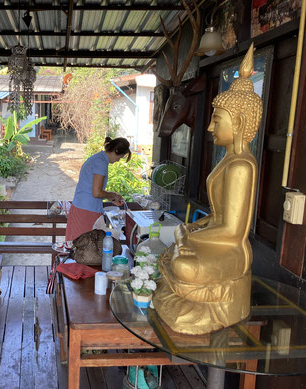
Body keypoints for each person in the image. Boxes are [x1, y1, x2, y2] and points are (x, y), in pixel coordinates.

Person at [153, 44, 263, 335]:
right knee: (172, 252)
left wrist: (188, 235)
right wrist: (191, 230)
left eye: (217, 120)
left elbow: (231, 232)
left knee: (183, 267)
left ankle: (202, 301)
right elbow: (216, 218)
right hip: (215, 239)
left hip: (232, 250)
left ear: (237, 123)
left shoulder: (242, 166)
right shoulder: (228, 161)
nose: (211, 127)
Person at [65, 137, 131, 242]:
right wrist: (113, 195)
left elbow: (94, 189)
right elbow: (96, 192)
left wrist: (110, 198)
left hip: (84, 207)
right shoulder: (101, 162)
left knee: (81, 247)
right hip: (86, 210)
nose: (118, 160)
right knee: (83, 249)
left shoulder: (98, 158)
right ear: (116, 151)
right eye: (120, 157)